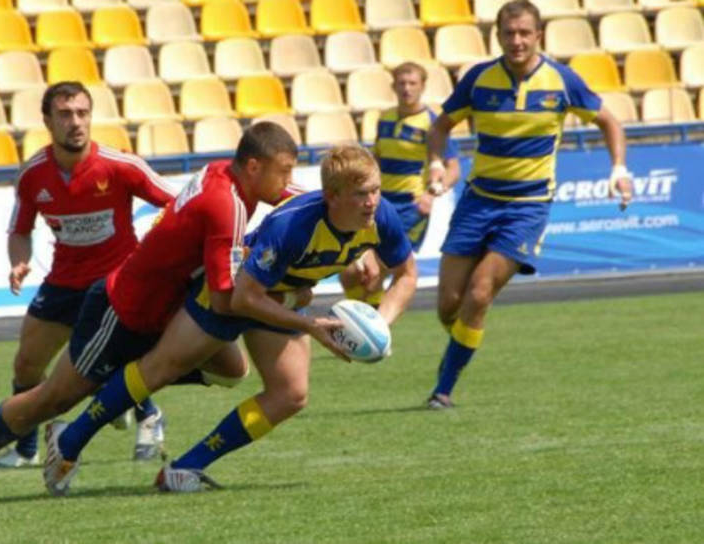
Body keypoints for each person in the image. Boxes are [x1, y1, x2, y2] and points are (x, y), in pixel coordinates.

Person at [0, 122, 301, 499]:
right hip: (123, 311)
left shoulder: (226, 173)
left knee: (231, 368)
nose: (288, 181)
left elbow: (287, 195)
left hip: (165, 309)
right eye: (284, 171)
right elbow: (225, 301)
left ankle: (118, 389)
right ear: (253, 167)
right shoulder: (225, 206)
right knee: (54, 398)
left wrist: (329, 199)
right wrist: (289, 302)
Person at [44, 145, 418, 494]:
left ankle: (186, 468)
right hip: (232, 293)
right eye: (362, 194)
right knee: (161, 368)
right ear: (332, 196)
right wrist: (308, 323)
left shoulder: (380, 216)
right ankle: (70, 441)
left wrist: (380, 324)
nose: (373, 201)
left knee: (291, 395)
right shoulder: (292, 226)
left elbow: (407, 274)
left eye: (375, 191)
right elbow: (244, 297)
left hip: (282, 298)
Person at [423, 0, 633, 409]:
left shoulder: (561, 80)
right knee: (449, 305)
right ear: (497, 36)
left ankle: (443, 389)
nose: (516, 41)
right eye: (509, 33)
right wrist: (435, 161)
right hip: (478, 201)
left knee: (479, 294)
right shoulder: (478, 79)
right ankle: (462, 344)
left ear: (538, 35)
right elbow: (441, 126)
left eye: (524, 33)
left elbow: (610, 121)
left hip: (527, 206)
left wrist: (619, 168)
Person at [0, 81, 176, 468]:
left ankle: (149, 415)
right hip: (64, 282)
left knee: (112, 359)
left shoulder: (121, 165)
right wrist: (18, 262)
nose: (75, 122)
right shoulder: (32, 175)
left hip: (116, 283)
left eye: (82, 113)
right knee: (26, 365)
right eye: (65, 114)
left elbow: (180, 204)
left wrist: (159, 251)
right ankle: (26, 449)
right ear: (47, 121)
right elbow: (20, 231)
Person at [339, 62, 461, 305]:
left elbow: (454, 168)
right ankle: (368, 319)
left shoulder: (432, 123)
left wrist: (431, 194)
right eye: (402, 83)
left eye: (412, 83)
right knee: (349, 271)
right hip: (377, 203)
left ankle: (370, 322)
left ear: (423, 86)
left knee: (376, 268)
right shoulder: (385, 118)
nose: (407, 88)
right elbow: (376, 161)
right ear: (393, 86)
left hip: (409, 207)